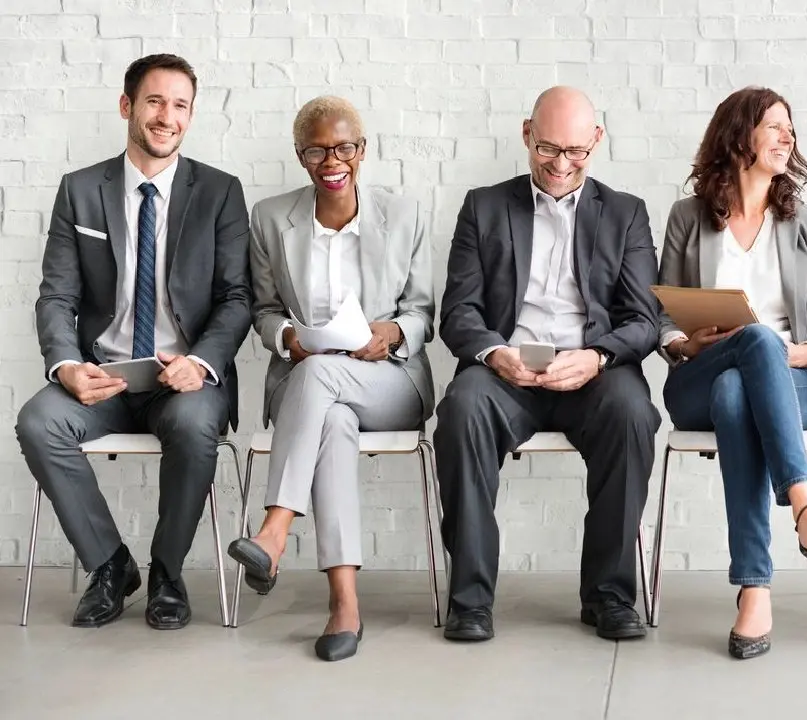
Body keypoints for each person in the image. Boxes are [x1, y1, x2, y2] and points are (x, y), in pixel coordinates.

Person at [15, 54, 251, 630]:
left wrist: (201, 362)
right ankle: (110, 565)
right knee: (38, 422)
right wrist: (66, 364)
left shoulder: (220, 192)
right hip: (107, 377)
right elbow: (56, 298)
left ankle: (167, 572)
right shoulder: (80, 190)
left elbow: (237, 297)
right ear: (127, 106)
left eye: (179, 106)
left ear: (190, 117)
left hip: (183, 380)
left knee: (196, 427)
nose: (166, 116)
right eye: (154, 101)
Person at [433, 86, 661, 643]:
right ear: (526, 134)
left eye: (577, 152)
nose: (561, 165)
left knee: (634, 414)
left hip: (593, 369)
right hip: (506, 368)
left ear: (597, 141)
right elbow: (458, 312)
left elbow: (645, 318)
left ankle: (608, 596)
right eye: (548, 149)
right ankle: (471, 600)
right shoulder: (483, 206)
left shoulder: (626, 213)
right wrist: (494, 353)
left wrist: (597, 356)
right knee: (461, 412)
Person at [225, 96, 435, 661]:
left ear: (362, 150)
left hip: (389, 381)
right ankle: (345, 604)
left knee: (322, 379)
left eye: (344, 146)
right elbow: (264, 310)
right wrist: (287, 338)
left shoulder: (405, 213)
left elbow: (423, 312)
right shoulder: (272, 218)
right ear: (301, 156)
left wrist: (389, 332)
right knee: (333, 421)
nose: (331, 159)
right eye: (317, 149)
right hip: (311, 388)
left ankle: (272, 532)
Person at [656, 86, 807, 660]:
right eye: (773, 125)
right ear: (737, 134)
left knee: (739, 388)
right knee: (739, 360)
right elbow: (661, 317)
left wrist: (799, 353)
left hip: (788, 383)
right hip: (699, 370)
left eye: (790, 127)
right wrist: (684, 340)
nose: (786, 135)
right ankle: (805, 506)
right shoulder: (687, 217)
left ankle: (755, 587)